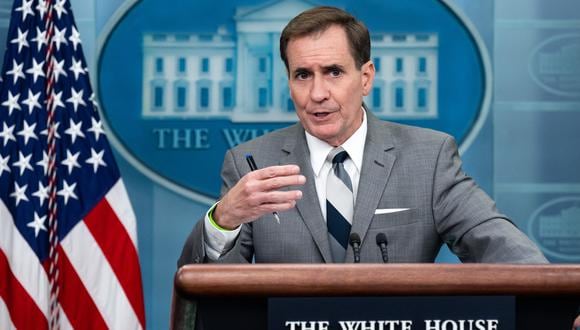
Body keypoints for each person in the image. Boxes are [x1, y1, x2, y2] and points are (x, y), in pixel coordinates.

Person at [178, 6, 547, 266]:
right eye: (303, 75)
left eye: (334, 72)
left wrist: (562, 298)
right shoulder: (251, 162)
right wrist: (221, 220)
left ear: (366, 78)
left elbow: (494, 239)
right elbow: (208, 281)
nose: (318, 93)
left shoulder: (428, 158)